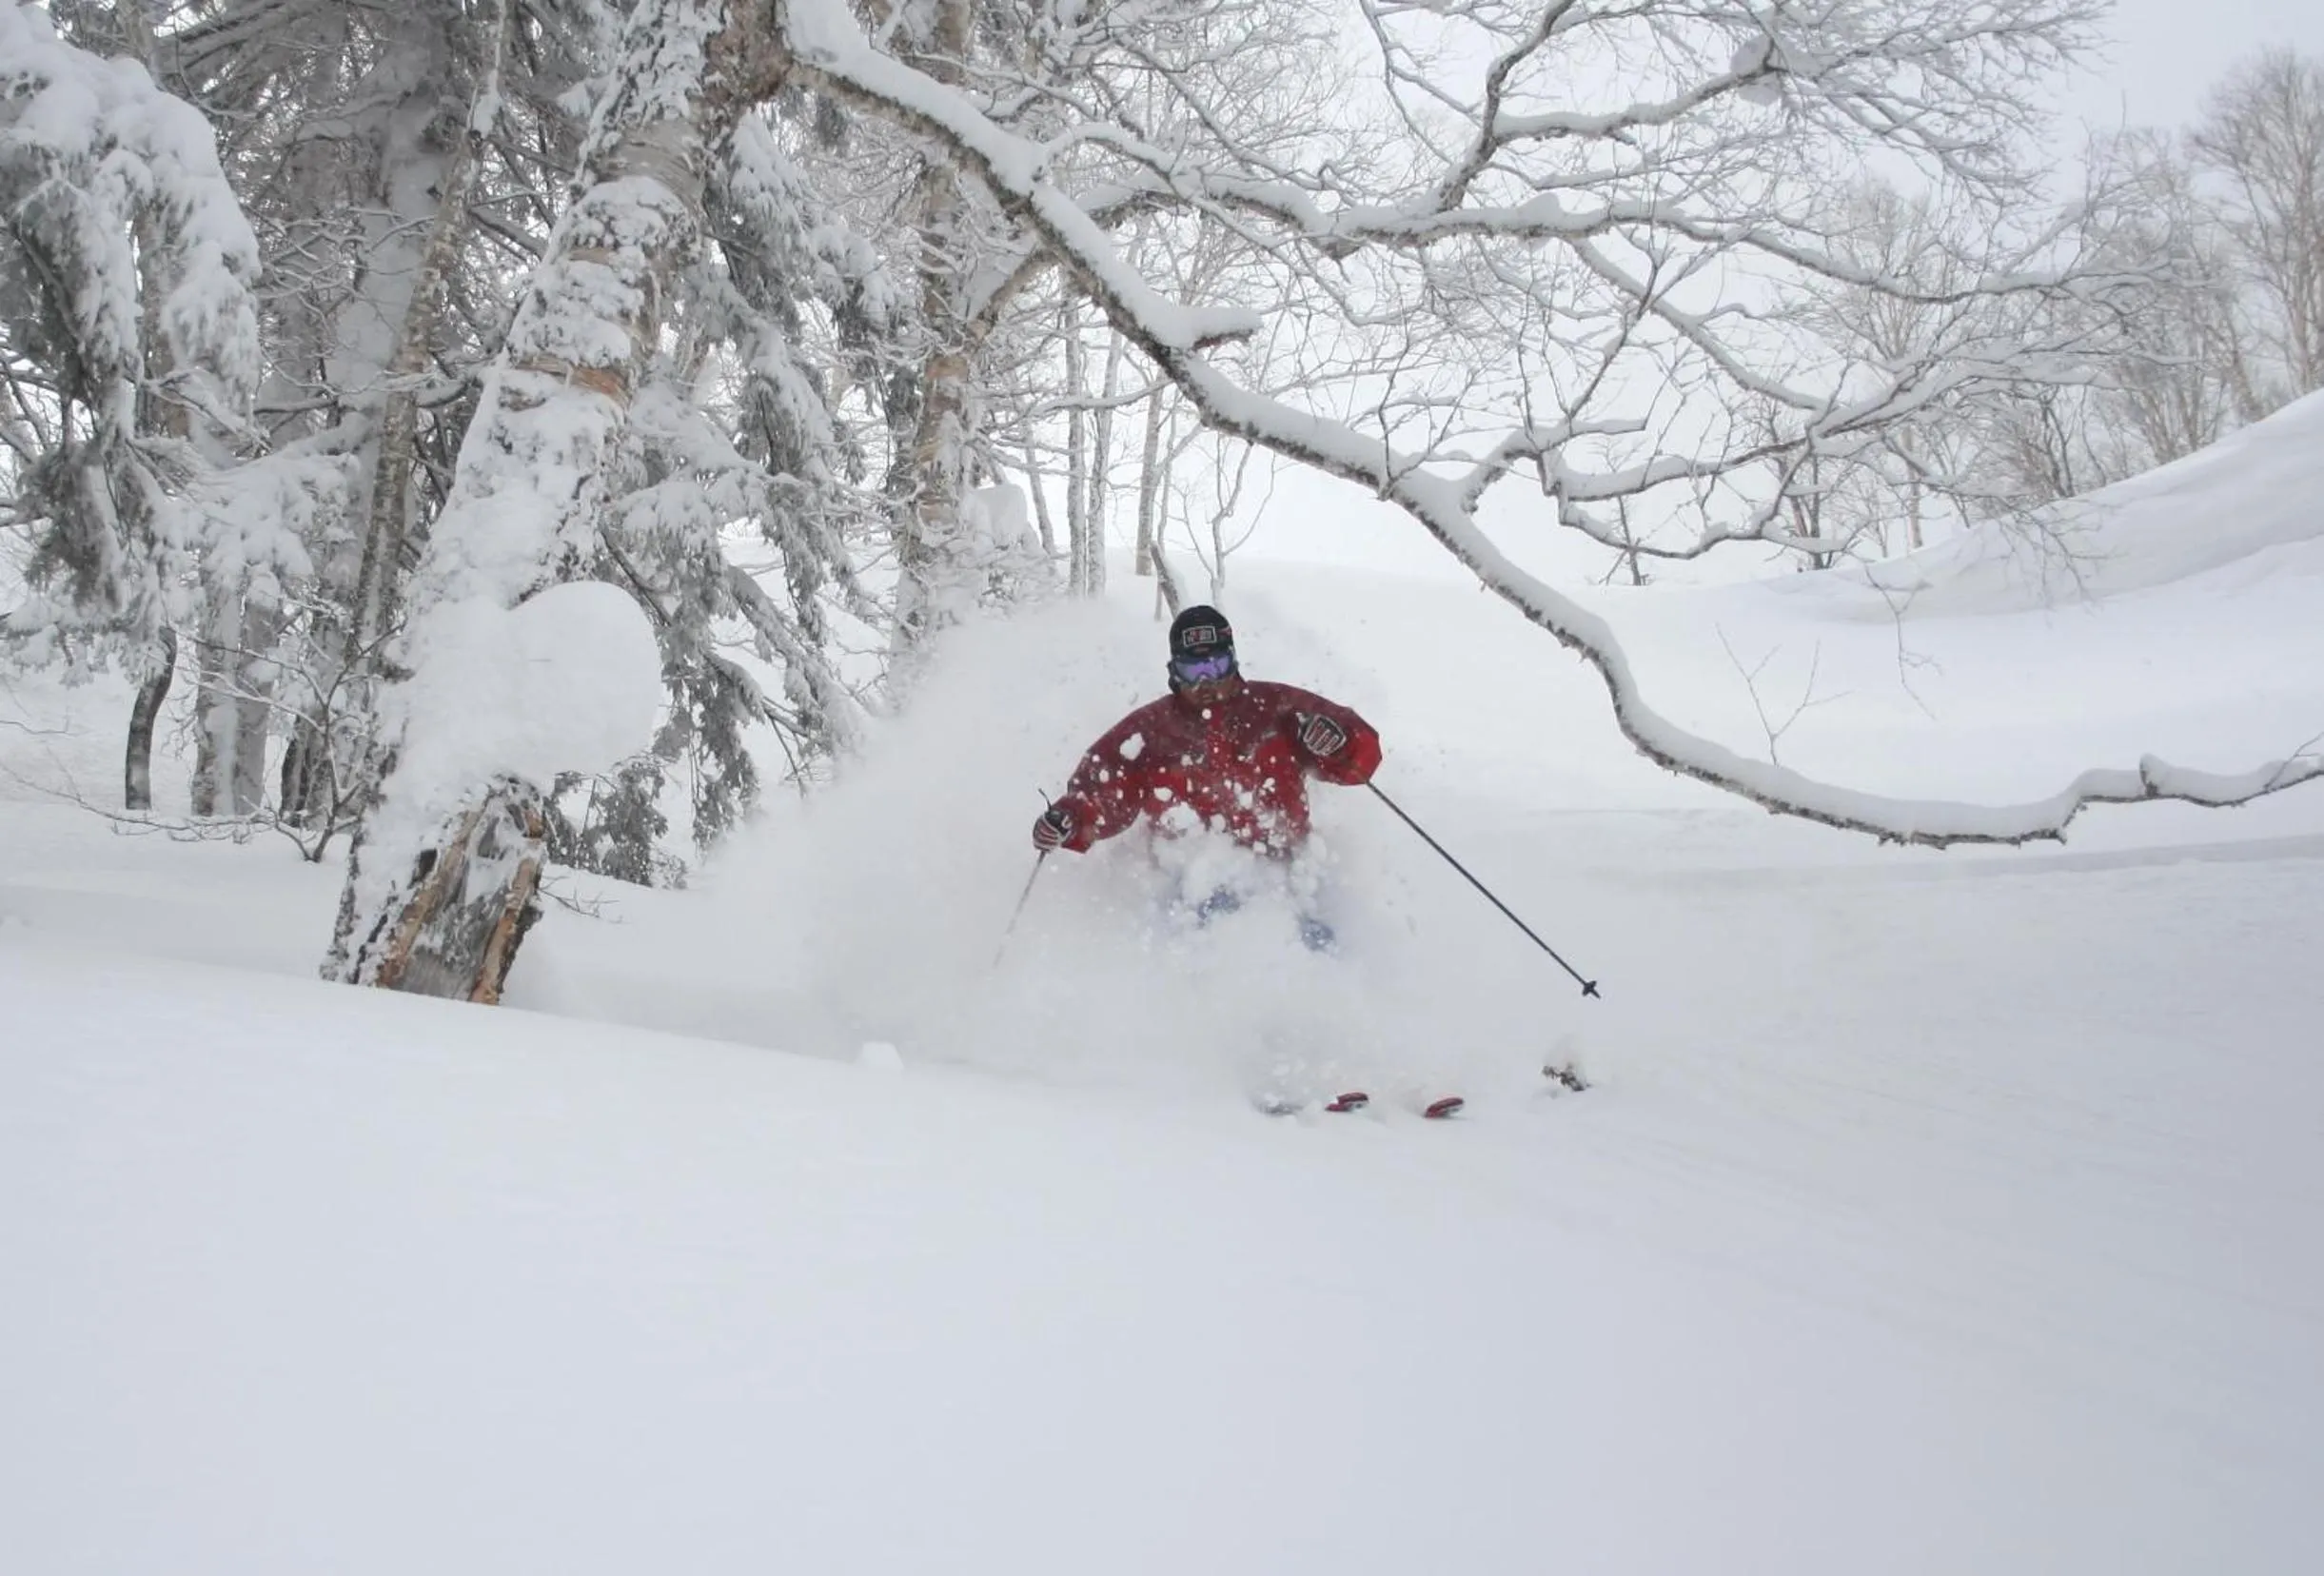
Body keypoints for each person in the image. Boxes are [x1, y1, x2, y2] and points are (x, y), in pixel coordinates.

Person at [1032, 605, 1381, 947]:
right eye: (1192, 670)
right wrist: (1071, 817)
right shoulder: (1151, 732)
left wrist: (1339, 744)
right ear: (1173, 671)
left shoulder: (1277, 709)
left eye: (1216, 666)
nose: (1205, 682)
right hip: (1193, 878)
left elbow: (1360, 754)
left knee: (1316, 945)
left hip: (1287, 868)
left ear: (1234, 661)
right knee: (1204, 931)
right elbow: (1105, 789)